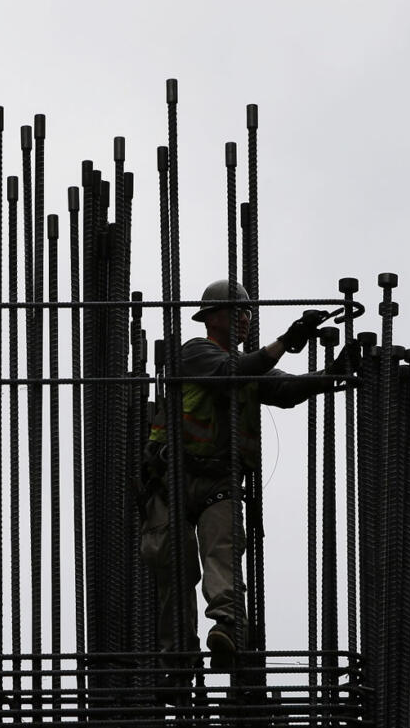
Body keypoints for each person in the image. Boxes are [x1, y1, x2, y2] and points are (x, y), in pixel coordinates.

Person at [140, 280, 357, 676]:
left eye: (248, 314)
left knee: (222, 553)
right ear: (213, 318)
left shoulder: (249, 367)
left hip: (219, 482)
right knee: (177, 568)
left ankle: (226, 628)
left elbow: (286, 388)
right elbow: (230, 371)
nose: (244, 320)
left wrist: (330, 375)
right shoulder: (196, 353)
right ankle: (178, 663)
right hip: (172, 480)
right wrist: (286, 340)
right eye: (236, 312)